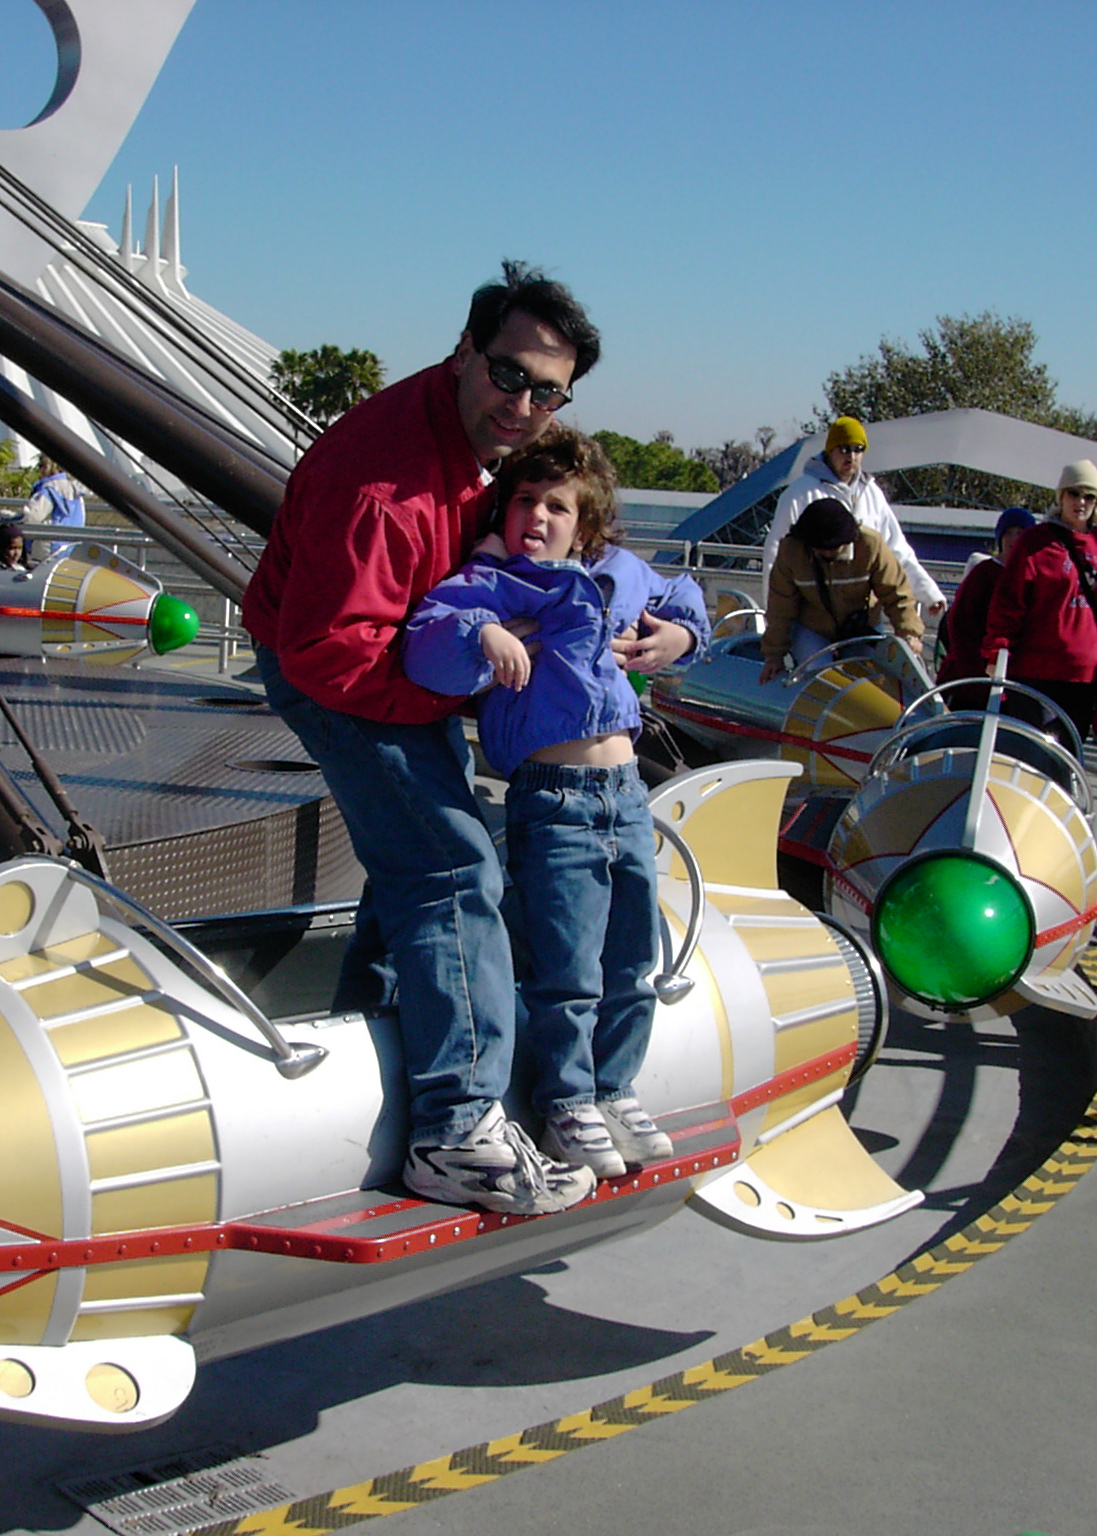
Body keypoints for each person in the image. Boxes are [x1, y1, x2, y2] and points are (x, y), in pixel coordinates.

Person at [244, 262, 684, 1216]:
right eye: (508, 374)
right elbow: (328, 653)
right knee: (451, 865)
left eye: (548, 391)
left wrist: (677, 629)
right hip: (339, 667)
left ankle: (376, 1036)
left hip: (400, 656)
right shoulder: (383, 489)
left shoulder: (491, 445)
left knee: (420, 852)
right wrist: (472, 680)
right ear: (463, 352)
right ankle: (454, 1130)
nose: (522, 404)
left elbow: (590, 547)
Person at [404, 426, 709, 1176]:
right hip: (554, 799)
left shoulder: (618, 572)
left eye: (557, 506)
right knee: (567, 964)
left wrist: (680, 636)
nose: (537, 516)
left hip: (627, 796)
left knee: (632, 957)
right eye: (524, 501)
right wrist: (485, 635)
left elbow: (682, 595)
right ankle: (568, 1101)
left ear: (587, 524)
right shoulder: (494, 583)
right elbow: (428, 640)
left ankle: (614, 1086)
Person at [979, 460, 1097, 743]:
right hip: (1036, 672)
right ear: (1061, 496)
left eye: (1089, 496)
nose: (1081, 502)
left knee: (1069, 755)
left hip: (1086, 675)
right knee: (1034, 752)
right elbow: (1009, 602)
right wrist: (998, 652)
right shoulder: (1036, 542)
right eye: (1074, 493)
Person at [760, 415, 944, 625]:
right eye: (844, 449)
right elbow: (777, 557)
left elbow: (896, 551)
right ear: (830, 450)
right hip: (814, 619)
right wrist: (774, 618)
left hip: (863, 617)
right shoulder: (800, 494)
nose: (851, 456)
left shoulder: (871, 493)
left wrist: (928, 593)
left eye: (858, 449)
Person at [755, 499, 922, 680]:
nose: (828, 553)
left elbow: (896, 593)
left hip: (861, 626)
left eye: (834, 548)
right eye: (821, 549)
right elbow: (780, 607)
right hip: (812, 626)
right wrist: (774, 656)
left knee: (868, 676)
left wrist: (909, 634)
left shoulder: (871, 545)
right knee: (818, 675)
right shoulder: (791, 551)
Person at [937, 504, 1037, 703]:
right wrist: (973, 672)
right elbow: (959, 624)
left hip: (1016, 682)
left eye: (1020, 532)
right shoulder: (984, 573)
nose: (1014, 539)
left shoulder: (1034, 578)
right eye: (1008, 533)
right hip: (971, 677)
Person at [23, 456, 89, 528]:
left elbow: (32, 517)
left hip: (52, 533)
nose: (39, 470)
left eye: (41, 465)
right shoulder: (74, 488)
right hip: (75, 533)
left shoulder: (49, 489)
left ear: (49, 467)